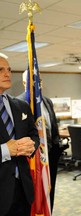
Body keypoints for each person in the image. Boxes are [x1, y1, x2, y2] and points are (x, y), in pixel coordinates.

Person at [17, 70, 66, 212]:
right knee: (34, 193)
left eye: (39, 80)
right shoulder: (18, 103)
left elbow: (53, 125)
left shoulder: (47, 101)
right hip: (32, 158)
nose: (37, 84)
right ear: (24, 83)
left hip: (51, 155)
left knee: (50, 189)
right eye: (32, 81)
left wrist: (56, 145)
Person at [0, 57, 39, 215]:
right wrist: (5, 150)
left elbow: (33, 134)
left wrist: (30, 145)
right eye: (0, 70)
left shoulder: (21, 105)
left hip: (23, 189)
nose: (7, 74)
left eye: (8, 69)